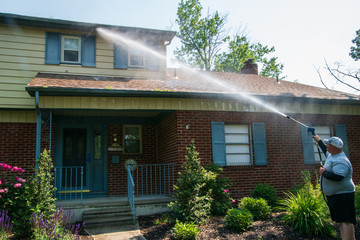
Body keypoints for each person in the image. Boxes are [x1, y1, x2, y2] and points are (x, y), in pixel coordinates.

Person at [313, 135, 356, 240]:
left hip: (343, 196)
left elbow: (338, 177)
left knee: (346, 221)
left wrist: (324, 172)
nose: (327, 145)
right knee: (344, 221)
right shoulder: (332, 155)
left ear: (335, 147)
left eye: (329, 144)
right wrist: (318, 140)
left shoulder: (341, 160)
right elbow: (324, 150)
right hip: (337, 195)